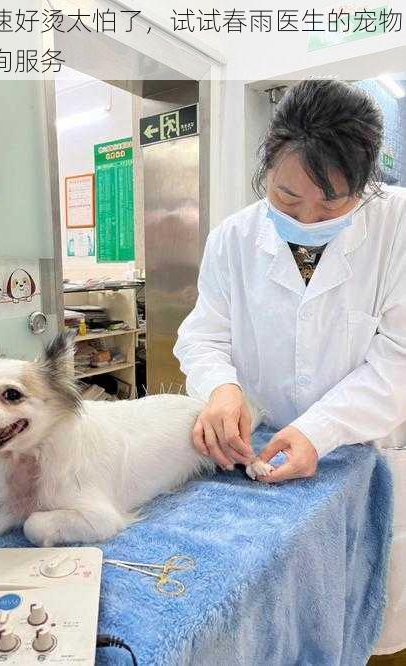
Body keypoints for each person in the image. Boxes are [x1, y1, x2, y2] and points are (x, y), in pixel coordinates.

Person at [173, 79, 406, 657]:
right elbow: (203, 334)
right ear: (266, 168)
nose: (307, 218)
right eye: (286, 199)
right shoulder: (232, 238)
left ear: (367, 182)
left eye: (332, 203)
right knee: (268, 612)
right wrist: (221, 390)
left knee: (364, 615)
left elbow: (398, 358)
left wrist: (318, 432)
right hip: (257, 451)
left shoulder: (398, 228)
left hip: (359, 452)